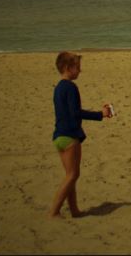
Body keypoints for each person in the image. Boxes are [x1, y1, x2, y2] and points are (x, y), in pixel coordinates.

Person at [49, 52, 112, 218]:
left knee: (71, 176)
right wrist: (101, 114)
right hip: (69, 136)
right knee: (72, 175)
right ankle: (54, 212)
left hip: (58, 136)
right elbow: (76, 113)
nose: (80, 71)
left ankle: (74, 210)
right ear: (68, 68)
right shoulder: (70, 87)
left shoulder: (58, 88)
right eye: (78, 67)